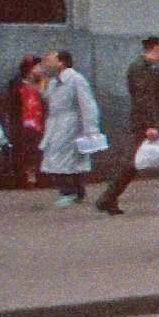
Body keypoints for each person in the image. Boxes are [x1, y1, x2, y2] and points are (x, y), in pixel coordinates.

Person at [98, 35, 159, 215]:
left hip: (158, 119)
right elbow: (144, 98)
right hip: (149, 122)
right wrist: (151, 126)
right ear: (157, 48)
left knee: (149, 161)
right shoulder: (139, 68)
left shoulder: (153, 68)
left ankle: (108, 198)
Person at [36, 49, 102, 205]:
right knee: (66, 158)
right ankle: (76, 191)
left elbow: (87, 104)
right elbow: (48, 98)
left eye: (50, 60)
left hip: (71, 123)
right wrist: (42, 81)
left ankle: (68, 192)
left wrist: (91, 128)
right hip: (56, 123)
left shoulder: (76, 79)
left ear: (61, 62)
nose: (47, 63)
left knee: (65, 158)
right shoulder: (53, 81)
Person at [0, 58, 45, 188]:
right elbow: (12, 103)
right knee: (24, 149)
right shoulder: (17, 84)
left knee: (37, 149)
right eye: (37, 67)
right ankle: (26, 176)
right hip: (22, 122)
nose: (40, 69)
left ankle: (36, 175)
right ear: (29, 69)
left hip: (39, 121)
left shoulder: (43, 83)